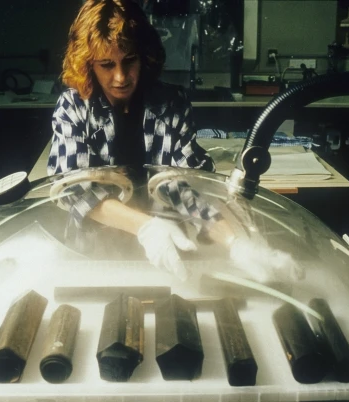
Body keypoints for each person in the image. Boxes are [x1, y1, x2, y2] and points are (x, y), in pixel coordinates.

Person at [49, 0, 301, 283]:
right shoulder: (73, 106)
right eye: (107, 65)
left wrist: (236, 242)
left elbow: (187, 186)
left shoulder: (170, 103)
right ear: (88, 64)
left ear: (144, 56)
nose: (120, 77)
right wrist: (146, 228)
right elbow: (75, 190)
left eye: (129, 60)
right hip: (95, 255)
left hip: (168, 252)